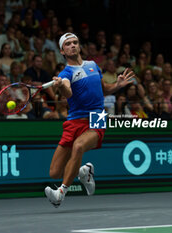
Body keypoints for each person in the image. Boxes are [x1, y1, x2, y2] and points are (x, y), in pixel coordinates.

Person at [44, 32, 134, 207]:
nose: (72, 46)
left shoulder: (93, 65)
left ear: (79, 46)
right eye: (68, 44)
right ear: (62, 51)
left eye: (75, 42)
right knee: (54, 172)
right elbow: (68, 93)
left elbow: (103, 89)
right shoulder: (66, 73)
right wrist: (62, 85)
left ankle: (60, 193)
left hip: (97, 117)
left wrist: (117, 84)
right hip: (74, 121)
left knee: (78, 146)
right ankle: (84, 172)